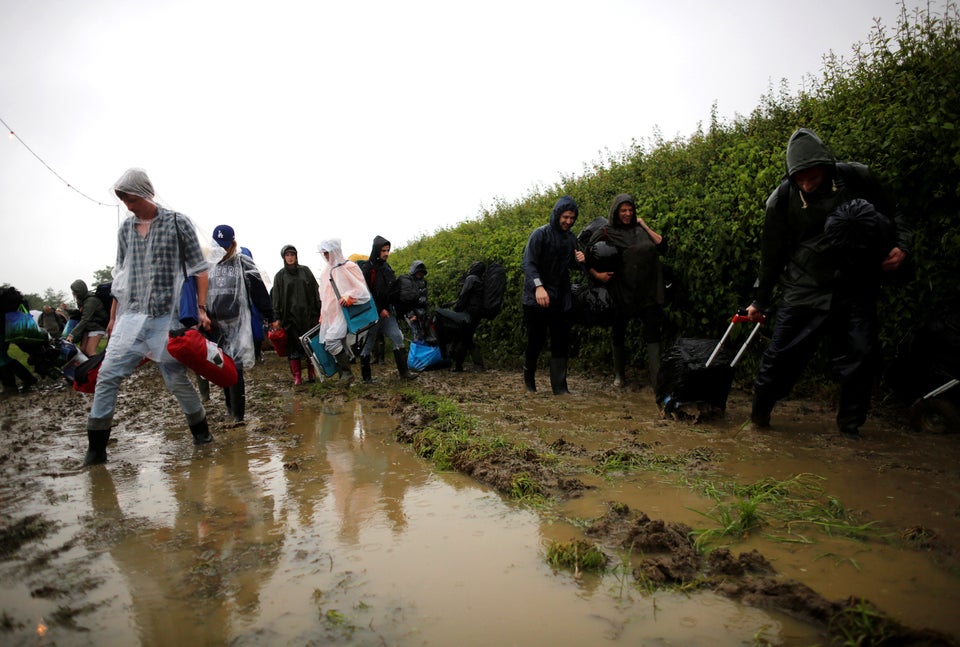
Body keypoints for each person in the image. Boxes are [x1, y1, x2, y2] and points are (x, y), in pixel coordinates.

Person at [745, 128, 913, 439]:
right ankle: (758, 420)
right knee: (780, 357)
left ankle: (849, 430)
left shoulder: (858, 178)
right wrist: (759, 301)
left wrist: (901, 245)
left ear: (826, 166)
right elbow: (770, 257)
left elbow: (895, 212)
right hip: (803, 288)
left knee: (861, 356)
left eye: (813, 176)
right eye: (800, 179)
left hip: (855, 285)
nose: (807, 184)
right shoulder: (780, 201)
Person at [82, 168, 214, 466]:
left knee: (175, 379)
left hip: (168, 319)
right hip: (132, 318)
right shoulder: (125, 230)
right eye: (123, 200)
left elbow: (199, 268)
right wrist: (114, 317)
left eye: (130, 198)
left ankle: (202, 434)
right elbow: (121, 277)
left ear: (144, 193)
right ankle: (96, 451)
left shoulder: (178, 223)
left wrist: (202, 309)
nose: (127, 205)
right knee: (107, 375)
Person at [583, 193, 667, 389]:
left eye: (630, 210)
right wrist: (597, 275)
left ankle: (657, 381)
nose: (627, 214)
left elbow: (663, 247)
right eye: (623, 211)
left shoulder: (641, 231)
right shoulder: (606, 231)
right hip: (621, 291)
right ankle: (619, 376)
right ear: (615, 212)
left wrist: (645, 225)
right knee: (619, 331)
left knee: (652, 331)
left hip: (647, 291)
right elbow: (586, 256)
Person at [204, 225, 275, 424]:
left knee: (236, 367)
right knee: (221, 366)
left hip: (236, 323)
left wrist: (269, 314)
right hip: (213, 325)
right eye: (219, 246)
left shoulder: (242, 262)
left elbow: (259, 289)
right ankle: (229, 407)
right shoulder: (206, 264)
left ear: (233, 244)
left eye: (226, 246)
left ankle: (238, 415)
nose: (222, 250)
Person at [521, 195, 586, 394]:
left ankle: (560, 388)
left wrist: (581, 260)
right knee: (536, 340)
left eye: (572, 218)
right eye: (566, 217)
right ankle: (528, 381)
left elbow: (573, 266)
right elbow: (528, 264)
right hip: (535, 298)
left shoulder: (571, 238)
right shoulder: (540, 234)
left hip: (559, 297)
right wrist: (538, 287)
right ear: (557, 214)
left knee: (560, 340)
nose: (569, 221)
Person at [359, 235, 414, 382]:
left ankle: (405, 374)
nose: (386, 253)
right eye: (383, 250)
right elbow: (366, 293)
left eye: (388, 250)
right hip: (373, 314)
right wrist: (379, 309)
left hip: (388, 312)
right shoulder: (367, 269)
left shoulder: (387, 267)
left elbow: (392, 289)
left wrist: (399, 307)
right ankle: (366, 378)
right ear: (377, 250)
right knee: (369, 344)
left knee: (397, 337)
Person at [318, 239, 371, 383]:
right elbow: (324, 296)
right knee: (338, 342)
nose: (326, 256)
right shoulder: (325, 272)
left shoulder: (349, 266)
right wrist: (323, 314)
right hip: (332, 314)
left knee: (332, 341)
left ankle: (347, 373)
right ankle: (344, 376)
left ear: (335, 251)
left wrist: (350, 296)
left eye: (328, 253)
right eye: (324, 253)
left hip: (345, 312)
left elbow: (362, 289)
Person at [271, 244, 321, 385]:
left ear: (296, 256)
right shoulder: (280, 276)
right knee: (293, 348)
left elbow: (315, 291)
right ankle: (297, 376)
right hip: (289, 318)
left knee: (309, 346)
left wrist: (319, 309)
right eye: (287, 255)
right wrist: (277, 317)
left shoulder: (305, 271)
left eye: (292, 254)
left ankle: (312, 372)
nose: (290, 257)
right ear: (283, 257)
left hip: (308, 316)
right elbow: (276, 298)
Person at [450, 261, 487, 372]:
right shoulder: (479, 279)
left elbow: (464, 294)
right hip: (477, 313)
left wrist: (456, 308)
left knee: (464, 338)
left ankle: (475, 365)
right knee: (466, 337)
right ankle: (459, 365)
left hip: (470, 312)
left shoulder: (471, 278)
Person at [64, 279, 109, 356]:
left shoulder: (91, 301)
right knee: (82, 351)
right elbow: (81, 313)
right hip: (88, 327)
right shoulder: (82, 300)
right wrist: (67, 310)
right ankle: (87, 367)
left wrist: (72, 334)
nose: (73, 293)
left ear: (80, 291)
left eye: (75, 291)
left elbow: (85, 319)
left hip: (97, 326)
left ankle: (99, 367)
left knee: (90, 351)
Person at [400, 260, 434, 344]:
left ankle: (425, 353)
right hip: (411, 312)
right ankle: (416, 354)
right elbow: (405, 300)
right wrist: (411, 315)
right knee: (417, 335)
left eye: (422, 272)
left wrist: (427, 312)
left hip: (422, 312)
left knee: (426, 333)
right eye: (418, 272)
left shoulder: (424, 282)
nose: (420, 274)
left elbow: (425, 298)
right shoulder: (408, 283)